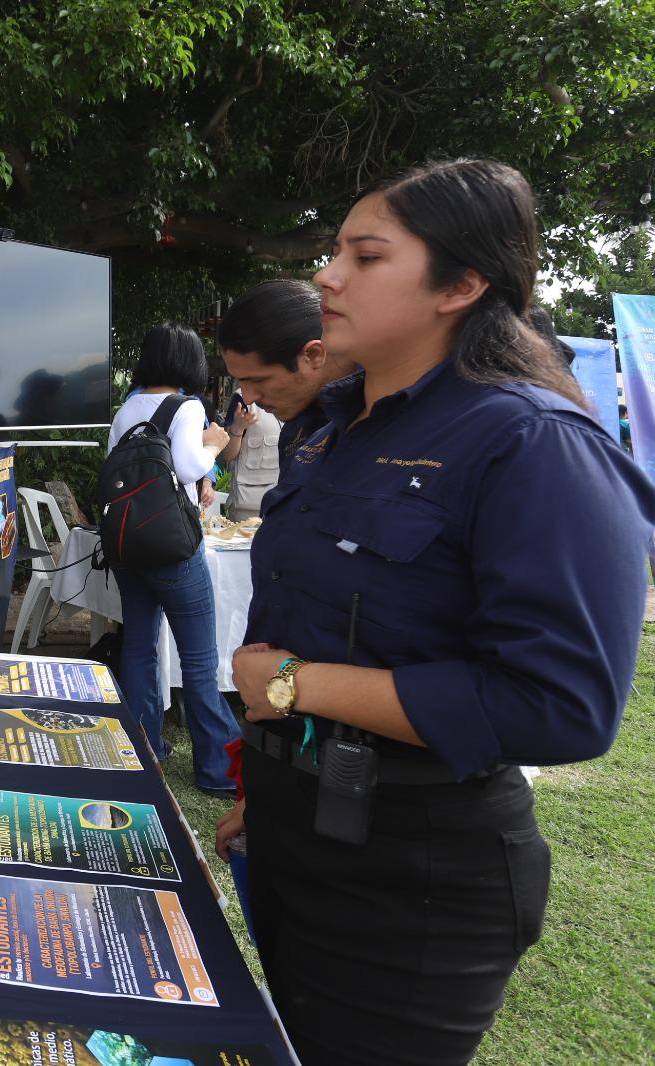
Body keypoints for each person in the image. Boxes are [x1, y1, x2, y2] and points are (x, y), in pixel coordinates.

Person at [217, 159, 655, 1064]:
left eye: (365, 256)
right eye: (333, 250)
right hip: (301, 827)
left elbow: (561, 703)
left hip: (413, 879)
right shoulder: (334, 424)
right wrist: (274, 788)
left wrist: (297, 686)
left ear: (462, 284)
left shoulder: (532, 444)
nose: (327, 276)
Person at [106, 324, 240, 795]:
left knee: (140, 649)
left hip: (129, 548)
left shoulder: (127, 408)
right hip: (175, 550)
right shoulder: (187, 407)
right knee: (200, 661)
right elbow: (186, 467)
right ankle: (217, 770)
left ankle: (145, 750)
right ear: (189, 363)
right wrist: (216, 445)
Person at [216, 278, 354, 484]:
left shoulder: (379, 417)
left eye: (257, 380)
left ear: (314, 355)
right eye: (240, 381)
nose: (248, 397)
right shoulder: (294, 430)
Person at [216, 393, 281, 520]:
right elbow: (228, 455)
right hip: (248, 510)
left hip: (288, 506)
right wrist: (237, 429)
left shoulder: (298, 397)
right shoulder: (242, 398)